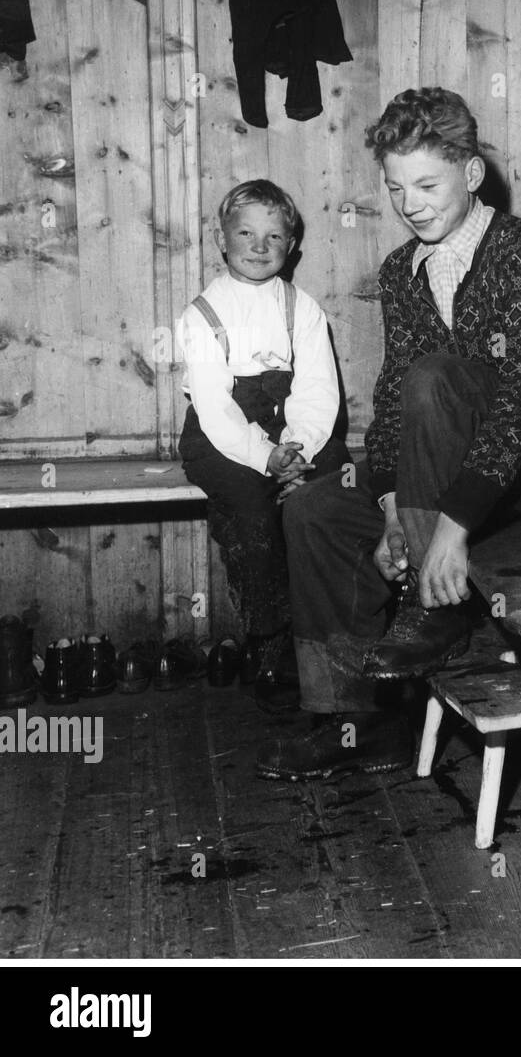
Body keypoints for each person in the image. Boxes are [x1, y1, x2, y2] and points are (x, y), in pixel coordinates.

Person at [256, 87, 521, 780]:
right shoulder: (401, 271)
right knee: (315, 508)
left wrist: (448, 529)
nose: (410, 202)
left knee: (436, 378)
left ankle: (435, 605)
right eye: (395, 187)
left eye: (427, 183)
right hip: (466, 461)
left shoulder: (519, 252)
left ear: (472, 175)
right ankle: (358, 719)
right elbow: (393, 402)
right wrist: (393, 508)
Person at [178, 179, 349, 710]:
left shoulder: (304, 309)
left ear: (291, 247)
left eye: (273, 237)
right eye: (246, 233)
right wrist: (263, 456)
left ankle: (332, 639)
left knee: (332, 492)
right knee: (252, 509)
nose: (259, 246)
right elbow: (215, 406)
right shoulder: (202, 314)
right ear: (221, 239)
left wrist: (299, 446)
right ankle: (268, 640)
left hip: (291, 427)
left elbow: (317, 389)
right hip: (221, 437)